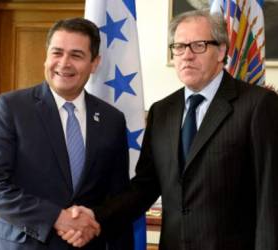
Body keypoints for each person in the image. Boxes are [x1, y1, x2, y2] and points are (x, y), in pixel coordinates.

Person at [63, 9, 278, 250]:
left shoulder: (258, 105)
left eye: (198, 45)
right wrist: (96, 217)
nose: (186, 56)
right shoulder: (162, 111)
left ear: (221, 51)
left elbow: (271, 194)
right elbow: (145, 186)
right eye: (178, 47)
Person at [0, 17, 134, 250]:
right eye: (57, 53)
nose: (64, 63)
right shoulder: (11, 108)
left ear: (95, 63)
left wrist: (94, 222)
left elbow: (117, 197)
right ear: (46, 56)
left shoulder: (112, 119)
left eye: (76, 55)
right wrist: (56, 217)